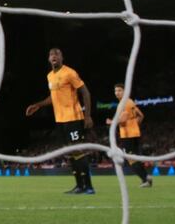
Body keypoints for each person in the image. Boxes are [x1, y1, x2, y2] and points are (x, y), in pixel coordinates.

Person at [25, 47, 95, 194]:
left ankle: (88, 186)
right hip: (60, 120)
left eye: (57, 54)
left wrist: (87, 115)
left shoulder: (70, 72)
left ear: (62, 58)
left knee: (78, 151)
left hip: (73, 118)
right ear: (48, 59)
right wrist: (38, 105)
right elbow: (53, 97)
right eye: (51, 54)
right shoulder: (50, 76)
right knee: (69, 153)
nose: (54, 56)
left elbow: (85, 92)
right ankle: (79, 186)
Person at [107, 83, 151, 187]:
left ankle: (145, 180)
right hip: (134, 133)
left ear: (124, 91)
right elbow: (141, 115)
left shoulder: (124, 103)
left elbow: (123, 119)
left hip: (128, 135)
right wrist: (134, 125)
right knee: (135, 157)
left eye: (119, 90)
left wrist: (111, 122)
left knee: (131, 159)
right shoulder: (130, 101)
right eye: (115, 91)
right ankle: (146, 177)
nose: (117, 93)